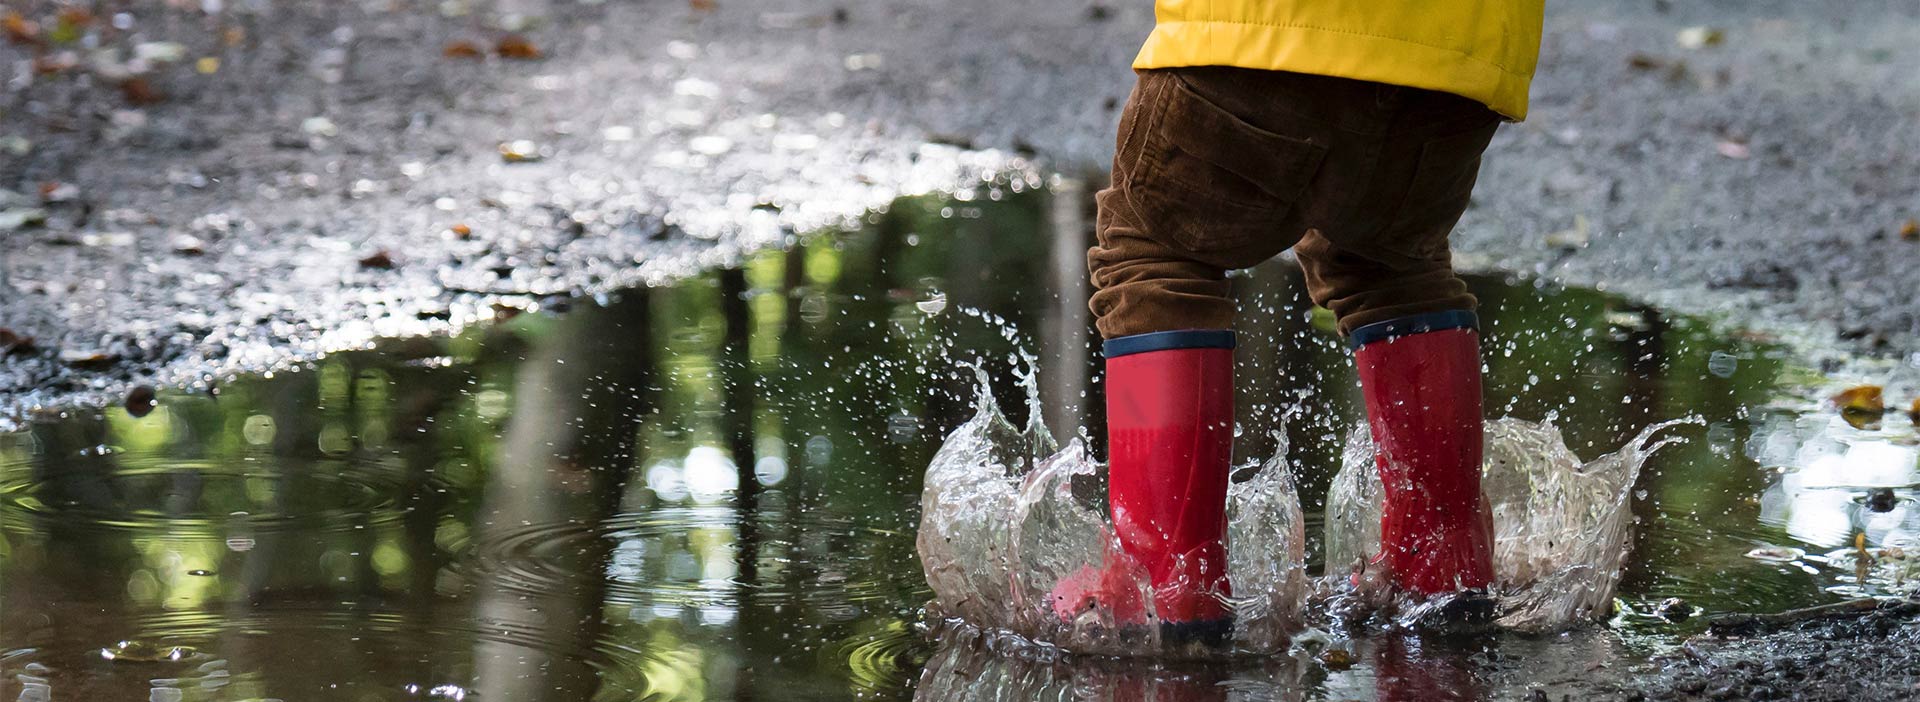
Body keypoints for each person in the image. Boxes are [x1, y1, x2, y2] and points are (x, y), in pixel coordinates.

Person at [1049, 0, 1545, 643]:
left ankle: (1165, 587)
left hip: (1268, 29)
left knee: (1154, 254)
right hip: (1459, 59)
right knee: (1391, 268)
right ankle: (1443, 567)